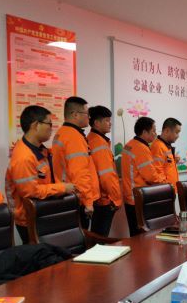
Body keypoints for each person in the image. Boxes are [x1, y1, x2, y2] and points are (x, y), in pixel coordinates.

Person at [6, 105, 75, 243]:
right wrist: (63, 188)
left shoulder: (40, 151)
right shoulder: (23, 157)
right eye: (49, 124)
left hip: (43, 212)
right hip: (30, 219)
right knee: (39, 254)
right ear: (36, 125)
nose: (51, 128)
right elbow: (30, 192)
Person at [51, 96, 100, 229]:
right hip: (78, 200)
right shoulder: (73, 137)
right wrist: (88, 202)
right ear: (75, 115)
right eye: (87, 114)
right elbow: (80, 172)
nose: (89, 117)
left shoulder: (62, 132)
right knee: (81, 238)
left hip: (68, 197)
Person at [121, 117, 161, 236]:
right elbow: (151, 177)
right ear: (144, 132)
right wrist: (164, 182)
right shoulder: (141, 148)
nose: (155, 134)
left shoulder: (129, 144)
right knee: (142, 236)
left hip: (130, 196)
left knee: (134, 234)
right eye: (153, 131)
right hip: (139, 198)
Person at [87, 106, 122, 236]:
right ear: (96, 123)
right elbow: (106, 176)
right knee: (101, 237)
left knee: (96, 235)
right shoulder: (99, 143)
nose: (110, 123)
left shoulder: (91, 139)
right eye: (107, 120)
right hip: (105, 200)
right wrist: (116, 199)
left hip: (97, 198)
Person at [150, 117, 181, 190]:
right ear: (167, 131)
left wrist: (174, 161)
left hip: (171, 189)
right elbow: (157, 172)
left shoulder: (166, 146)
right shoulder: (158, 146)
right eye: (176, 132)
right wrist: (168, 188)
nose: (178, 136)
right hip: (166, 190)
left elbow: (166, 167)